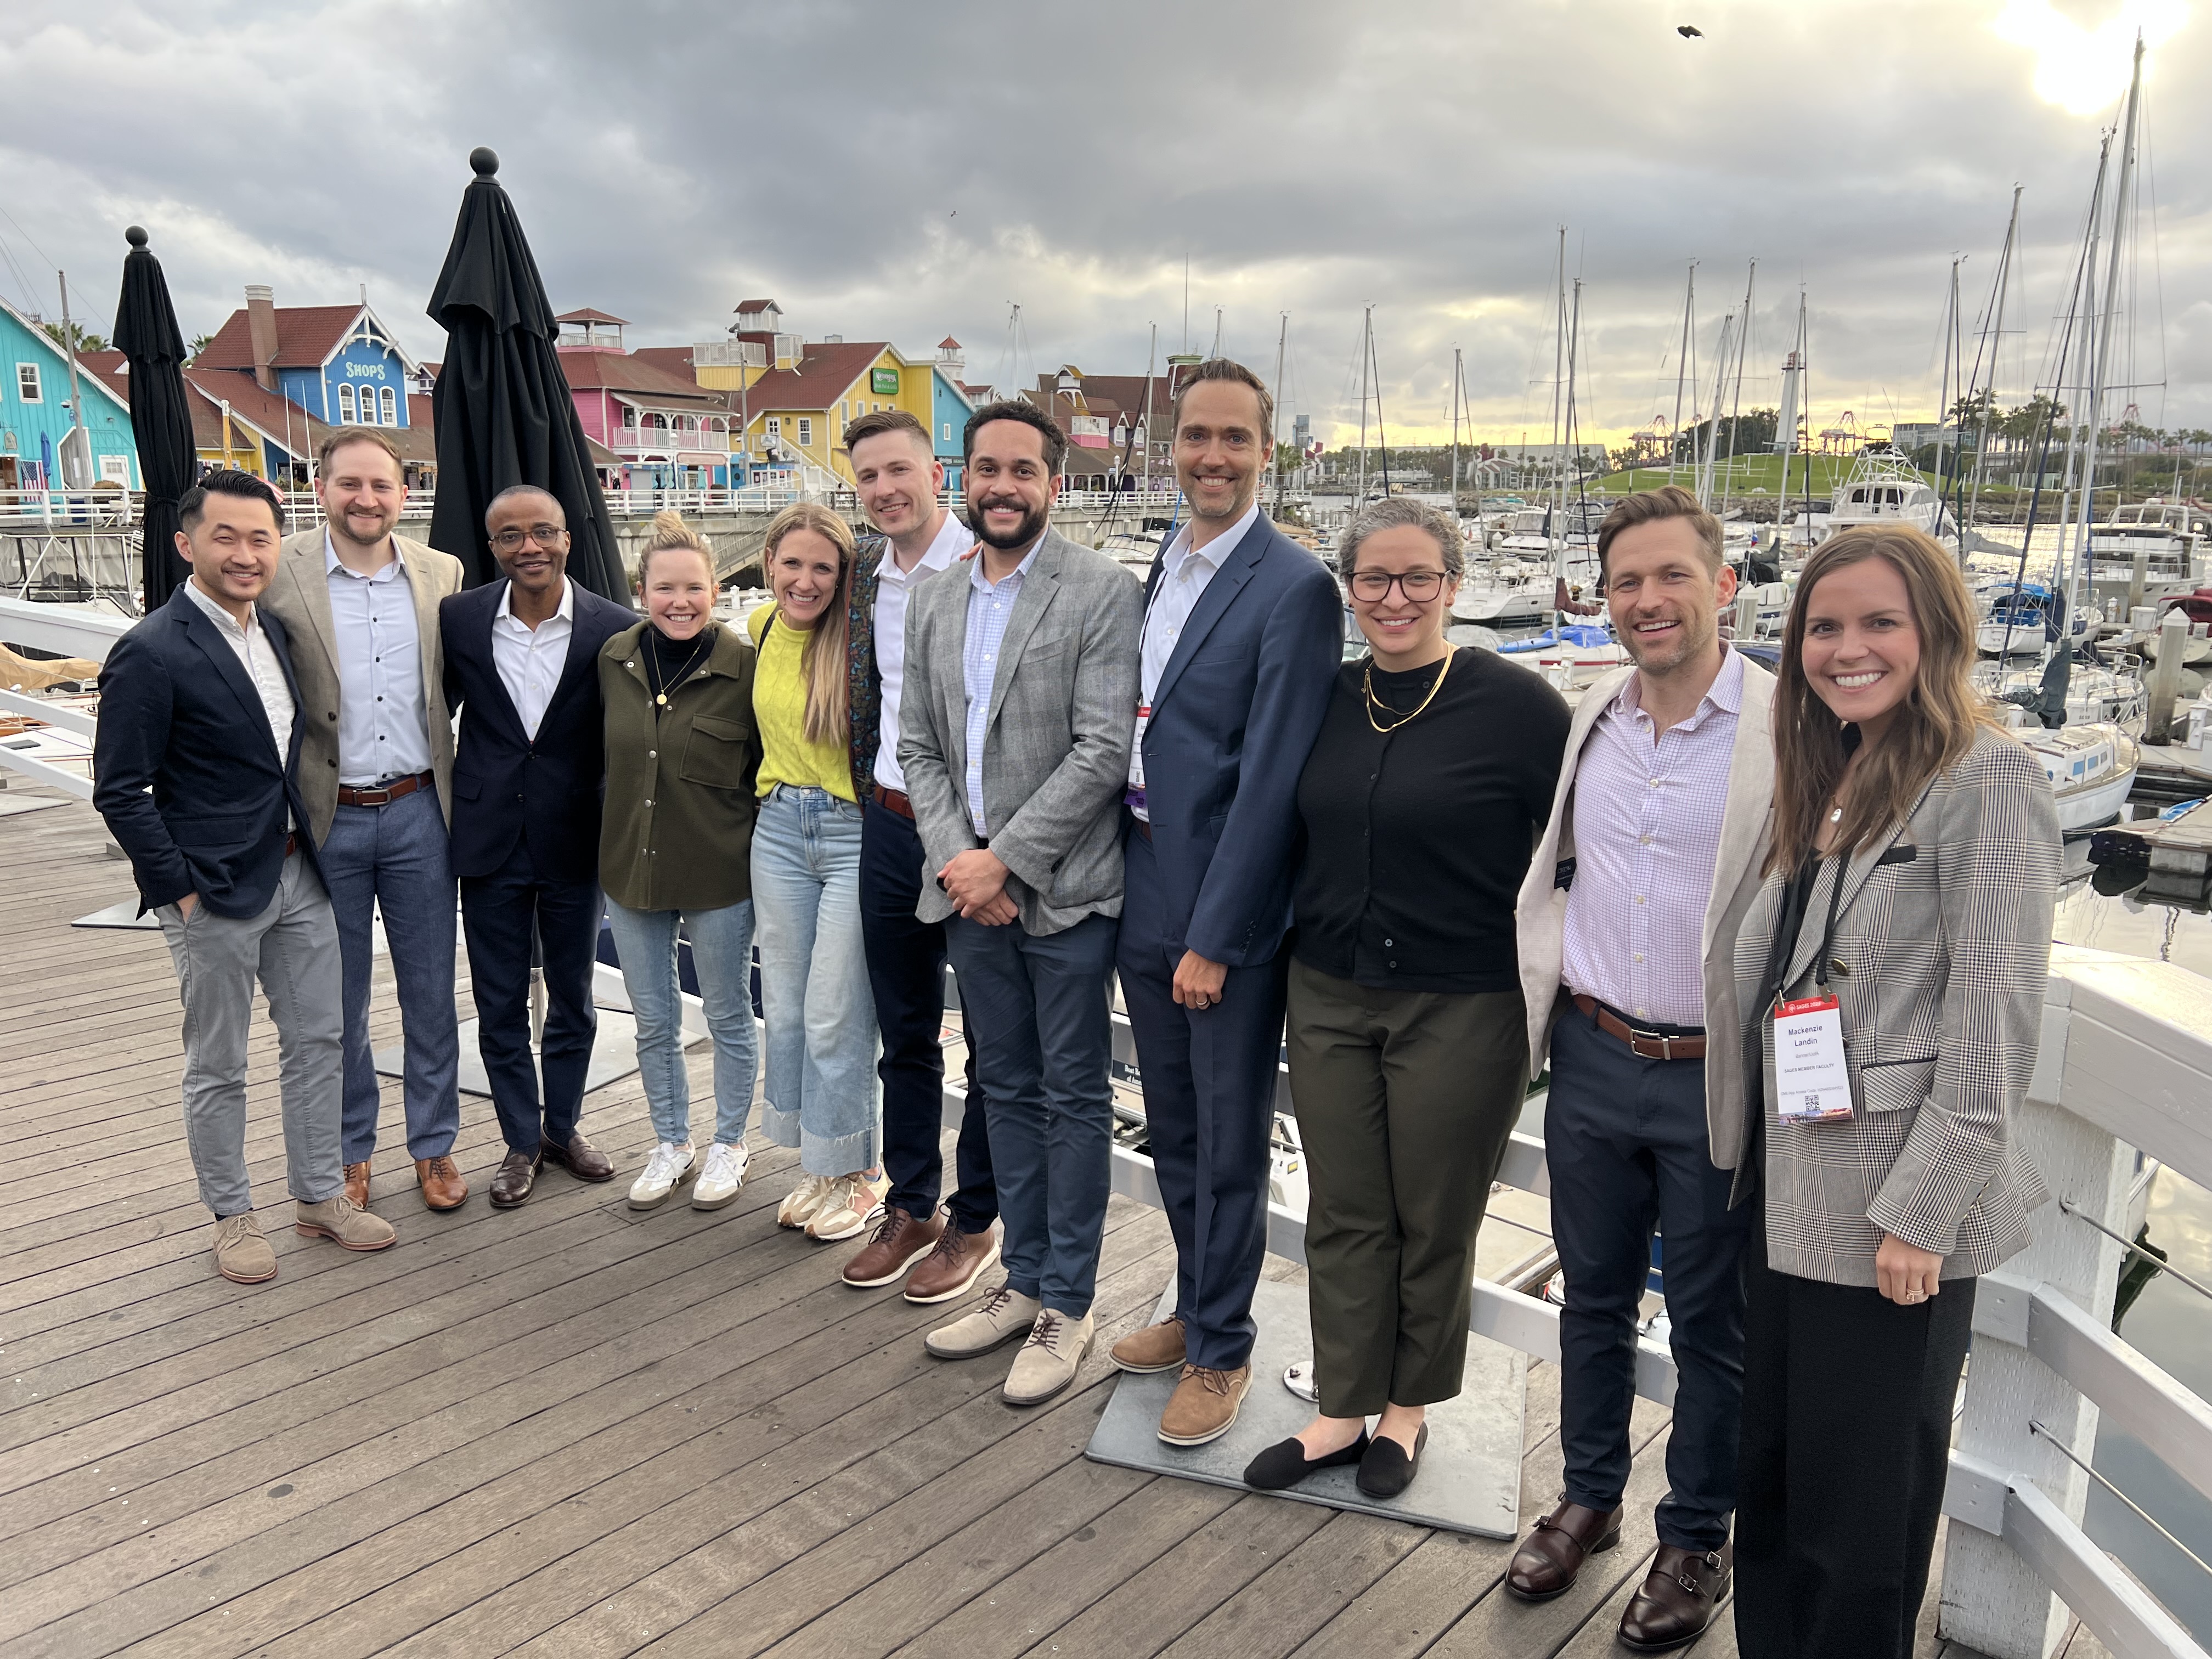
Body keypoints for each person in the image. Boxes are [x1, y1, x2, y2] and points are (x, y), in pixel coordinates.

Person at [1729, 526, 2058, 1659]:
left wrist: (1923, 1214)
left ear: (1936, 634)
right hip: (1788, 1184)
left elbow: (1995, 1022)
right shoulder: (1833, 768)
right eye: (1825, 626)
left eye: (1880, 623)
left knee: (1860, 1517)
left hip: (1888, 1219)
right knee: (1770, 1481)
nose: (1847, 648)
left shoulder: (1987, 776)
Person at [1242, 498, 1566, 1498]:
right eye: (1373, 579)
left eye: (1416, 577)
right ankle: (1342, 1406)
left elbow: (1576, 855)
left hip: (1464, 1003)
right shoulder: (1323, 698)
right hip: (1328, 989)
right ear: (1348, 588)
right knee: (1344, 1207)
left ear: (1453, 587)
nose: (1394, 598)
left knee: (1434, 1212)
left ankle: (1409, 1409)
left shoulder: (1518, 705)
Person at [1508, 486, 1776, 1652]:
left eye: (1673, 576)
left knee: (1713, 1320)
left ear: (1722, 586)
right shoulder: (1594, 720)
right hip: (1595, 1055)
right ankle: (1589, 1498)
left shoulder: (1788, 726)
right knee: (1593, 1297)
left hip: (1717, 1071)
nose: (1649, 600)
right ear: (1603, 598)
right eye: (1628, 582)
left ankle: (1696, 1535)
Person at [1107, 359, 1341, 1448]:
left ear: (1266, 453)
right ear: (1174, 447)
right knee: (1176, 1129)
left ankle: (1222, 1348)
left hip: (1220, 914)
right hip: (1143, 879)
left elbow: (1273, 781)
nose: (1212, 456)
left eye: (1234, 440)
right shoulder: (1165, 562)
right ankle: (1196, 1303)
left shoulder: (1294, 585)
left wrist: (1216, 937)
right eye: (1196, 437)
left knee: (1231, 1134)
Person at [91, 469, 395, 1281]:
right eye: (225, 536)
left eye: (260, 537)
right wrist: (177, 890)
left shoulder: (282, 635)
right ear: (186, 544)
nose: (245, 553)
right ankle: (232, 1216)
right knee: (219, 1062)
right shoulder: (150, 650)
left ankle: (319, 1194)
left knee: (320, 1041)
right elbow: (120, 788)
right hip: (211, 891)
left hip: (300, 873)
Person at [900, 401, 1142, 1407]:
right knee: (1001, 1085)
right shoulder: (933, 597)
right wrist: (963, 860)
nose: (1002, 486)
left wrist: (1008, 861)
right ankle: (1023, 1273)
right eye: (985, 468)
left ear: (1053, 481)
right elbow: (916, 744)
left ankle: (1068, 1301)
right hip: (969, 895)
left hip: (1067, 892)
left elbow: (1102, 748)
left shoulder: (1099, 589)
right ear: (966, 476)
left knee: (1074, 1097)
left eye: (1022, 471)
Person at [262, 428, 467, 1213]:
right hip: (327, 817)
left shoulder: (441, 573)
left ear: (402, 493)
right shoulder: (283, 573)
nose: (365, 499)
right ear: (320, 489)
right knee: (335, 999)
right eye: (349, 484)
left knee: (430, 991)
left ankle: (435, 1145)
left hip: (420, 809)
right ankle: (351, 1151)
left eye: (381, 485)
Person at [837, 409, 1000, 1302]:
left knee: (984, 1035)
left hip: (972, 833)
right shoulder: (863, 568)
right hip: (889, 819)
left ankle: (974, 1219)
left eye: (898, 470)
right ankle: (912, 1205)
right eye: (867, 476)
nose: (885, 489)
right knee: (902, 1030)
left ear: (935, 472)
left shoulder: (984, 567)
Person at [440, 486, 635, 1207]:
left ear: (566, 540)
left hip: (575, 835)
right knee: (496, 1003)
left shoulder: (614, 628)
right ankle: (520, 1141)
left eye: (543, 532)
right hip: (488, 834)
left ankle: (563, 1127)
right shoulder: (457, 620)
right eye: (512, 535)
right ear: (491, 548)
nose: (530, 546)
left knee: (575, 998)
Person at [600, 511, 763, 1211]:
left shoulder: (745, 667)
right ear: (643, 591)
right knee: (655, 1019)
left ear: (716, 590)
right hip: (630, 869)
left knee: (728, 1014)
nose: (681, 601)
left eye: (694, 587)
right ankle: (672, 1141)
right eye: (666, 587)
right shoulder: (612, 661)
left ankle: (730, 1142)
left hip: (720, 872)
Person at [748, 503, 887, 1241]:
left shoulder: (858, 644)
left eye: (822, 569)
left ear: (844, 577)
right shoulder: (758, 629)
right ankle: (823, 1163)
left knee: (839, 1012)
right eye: (792, 564)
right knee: (793, 1007)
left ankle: (865, 1174)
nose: (804, 581)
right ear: (768, 562)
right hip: (775, 829)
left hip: (850, 834)